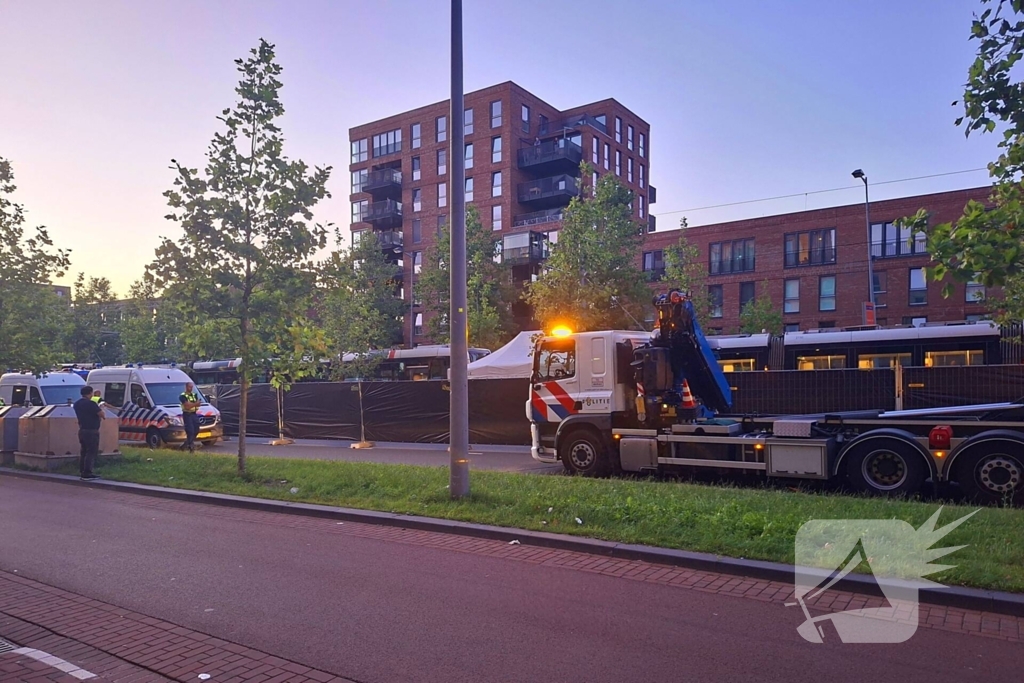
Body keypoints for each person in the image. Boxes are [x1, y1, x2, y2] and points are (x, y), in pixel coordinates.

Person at [73, 385, 104, 480]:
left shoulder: (77, 404)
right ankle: (87, 473)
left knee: (84, 451)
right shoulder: (91, 404)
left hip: (82, 430)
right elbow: (101, 414)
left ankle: (82, 471)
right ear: (90, 393)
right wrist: (101, 408)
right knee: (91, 452)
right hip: (92, 430)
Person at [179, 382, 201, 453]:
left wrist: (192, 404)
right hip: (187, 415)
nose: (191, 388)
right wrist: (195, 404)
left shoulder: (195, 395)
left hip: (194, 414)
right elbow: (187, 406)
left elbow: (198, 404)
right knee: (190, 431)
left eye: (192, 387)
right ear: (186, 387)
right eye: (189, 387)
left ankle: (184, 446)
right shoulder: (182, 396)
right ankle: (191, 448)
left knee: (196, 430)